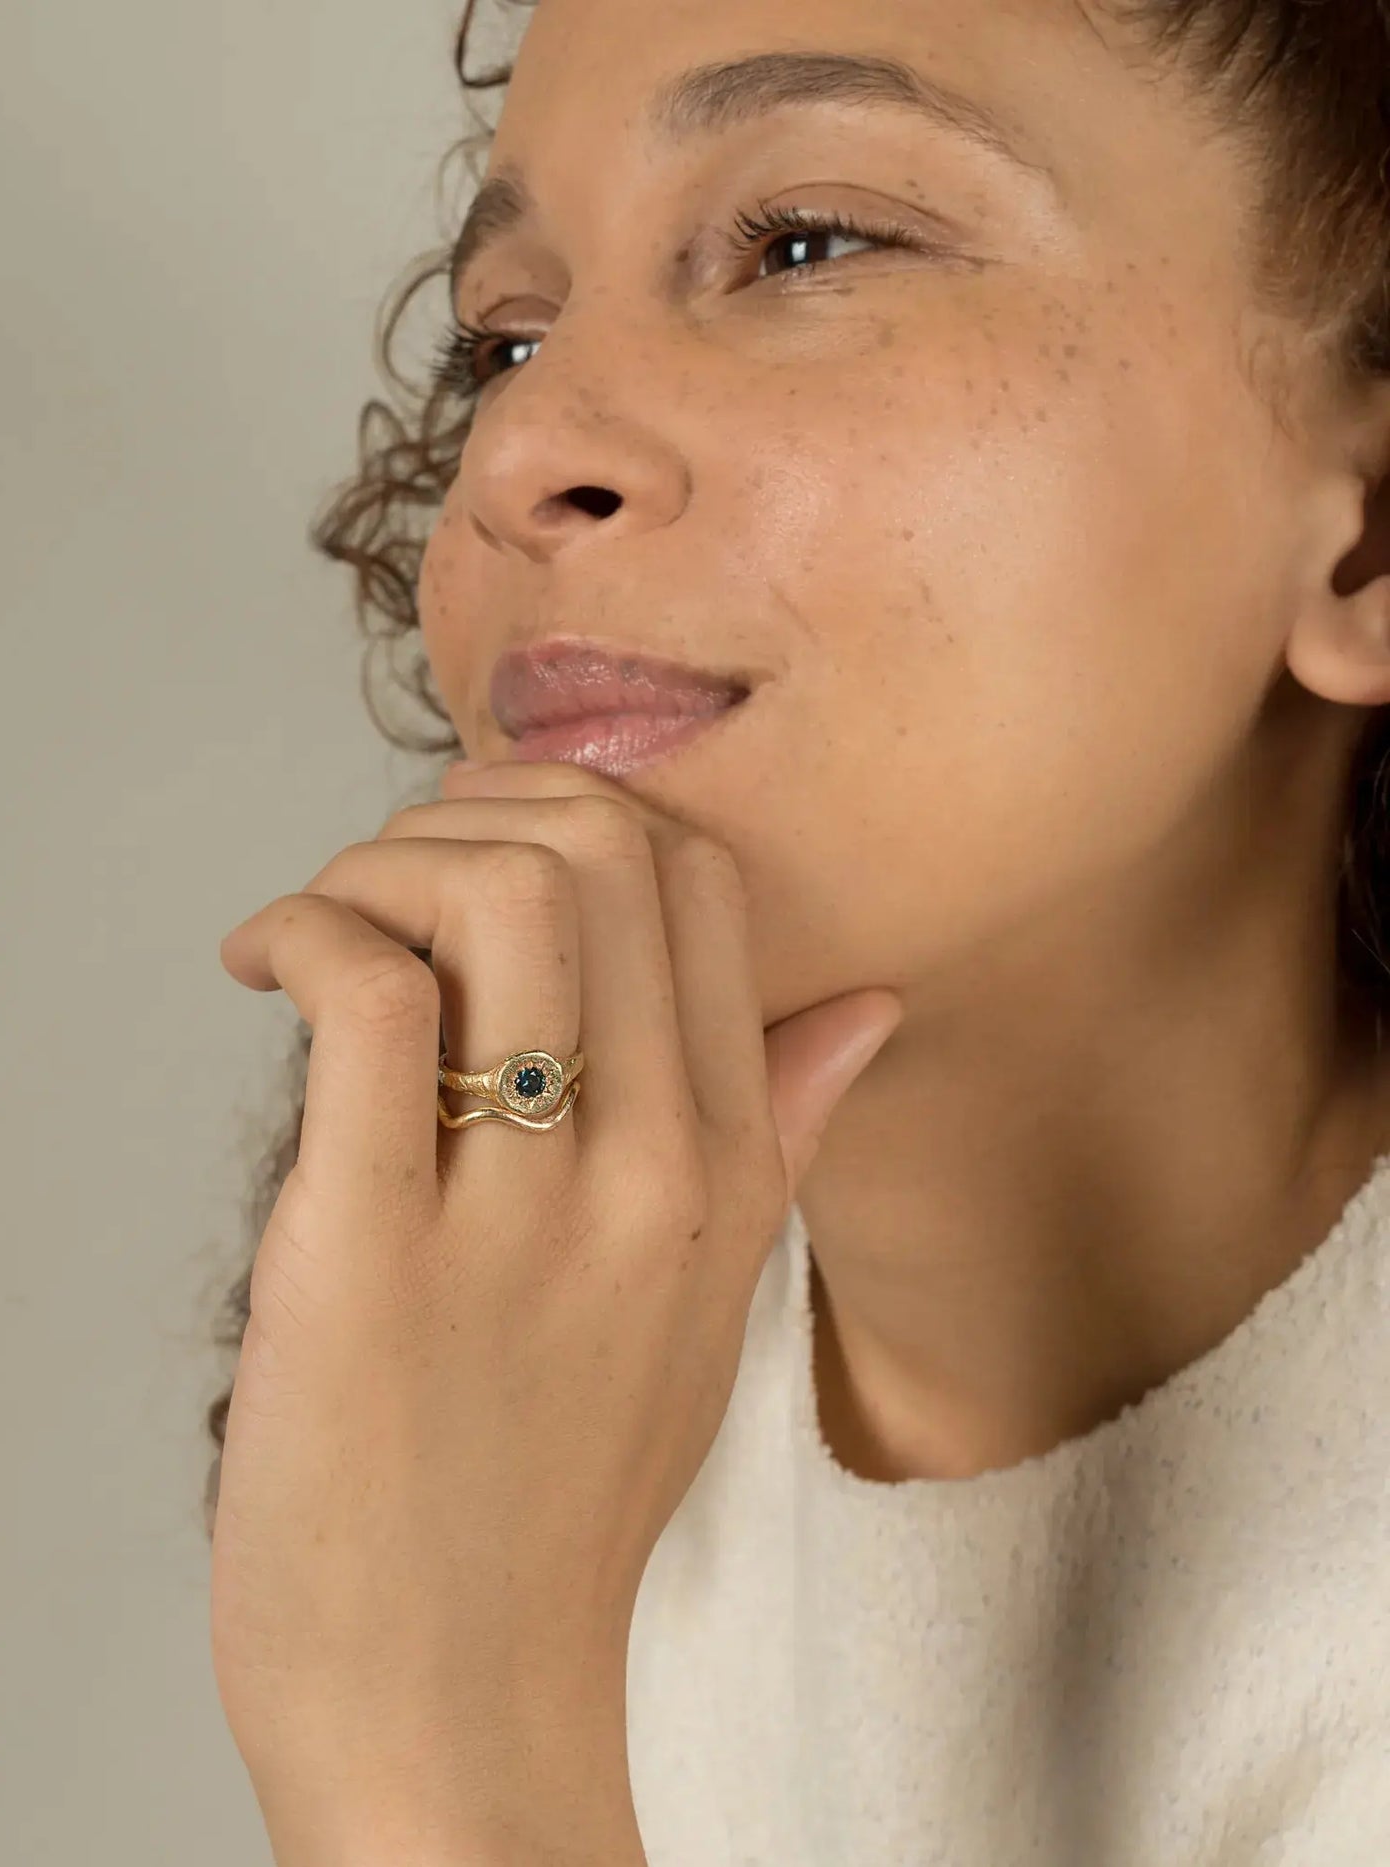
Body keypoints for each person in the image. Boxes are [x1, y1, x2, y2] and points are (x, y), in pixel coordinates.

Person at [205, 0, 1390, 1858]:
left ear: (1371, 535)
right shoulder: (512, 1397)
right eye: (502, 337)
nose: (524, 449)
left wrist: (425, 1759)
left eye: (805, 244)